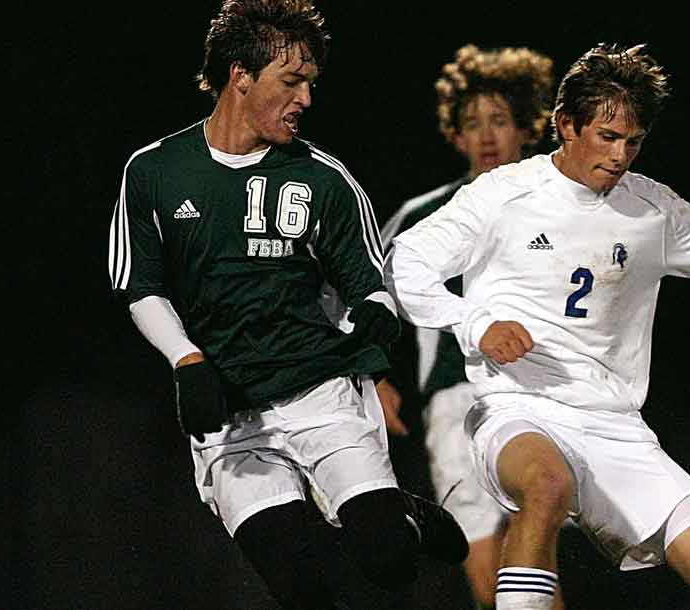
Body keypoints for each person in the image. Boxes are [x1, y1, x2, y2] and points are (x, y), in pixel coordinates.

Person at [385, 43, 690, 610]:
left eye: (633, 142)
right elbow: (402, 263)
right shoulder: (502, 196)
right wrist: (473, 321)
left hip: (617, 428)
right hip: (517, 408)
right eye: (608, 137)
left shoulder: (653, 211)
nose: (619, 156)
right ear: (566, 124)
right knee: (546, 486)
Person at [105, 1, 467, 608]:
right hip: (232, 415)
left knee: (389, 560)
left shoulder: (323, 177)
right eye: (292, 81)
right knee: (299, 588)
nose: (306, 99)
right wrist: (186, 360)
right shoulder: (155, 171)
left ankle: (402, 514)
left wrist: (375, 313)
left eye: (311, 84)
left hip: (322, 393)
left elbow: (368, 281)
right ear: (240, 75)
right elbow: (141, 287)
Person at [378, 44, 560, 610]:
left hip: (539, 396)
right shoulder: (422, 217)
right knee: (488, 572)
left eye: (499, 120)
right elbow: (367, 295)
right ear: (455, 136)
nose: (486, 136)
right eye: (472, 123)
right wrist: (373, 375)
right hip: (455, 400)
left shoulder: (561, 210)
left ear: (528, 128)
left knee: (532, 563)